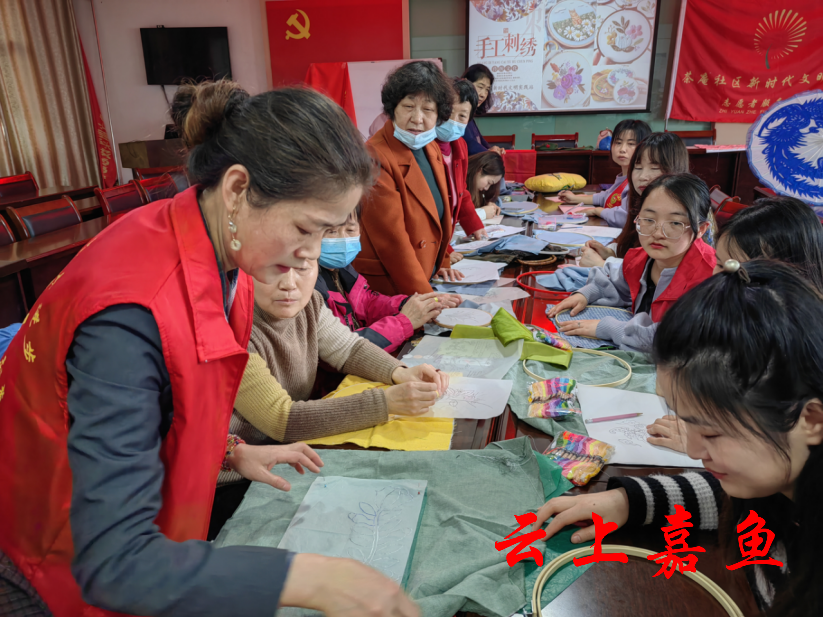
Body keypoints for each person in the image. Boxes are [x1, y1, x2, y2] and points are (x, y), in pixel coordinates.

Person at [0, 81, 419, 617]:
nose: (310, 255)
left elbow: (169, 397)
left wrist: (228, 450)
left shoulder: (225, 253)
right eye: (305, 228)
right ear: (238, 188)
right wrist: (310, 578)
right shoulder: (129, 314)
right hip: (50, 556)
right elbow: (114, 562)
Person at [534, 259, 822, 617]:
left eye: (712, 432)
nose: (694, 450)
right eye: (685, 420)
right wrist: (628, 501)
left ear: (810, 419)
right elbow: (730, 494)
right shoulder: (777, 482)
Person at [647, 195, 824, 453]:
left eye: (743, 273)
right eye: (720, 264)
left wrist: (715, 438)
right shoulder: (737, 320)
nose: (722, 280)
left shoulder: (803, 347)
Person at [547, 173, 715, 353]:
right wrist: (587, 294)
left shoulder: (710, 280)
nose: (657, 233)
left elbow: (678, 340)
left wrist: (610, 328)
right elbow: (621, 282)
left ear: (700, 229)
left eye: (675, 223)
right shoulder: (642, 257)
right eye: (649, 219)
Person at [355, 60, 465, 295]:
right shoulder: (374, 156)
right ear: (392, 108)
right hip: (392, 285)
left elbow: (437, 214)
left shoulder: (430, 147)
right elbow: (392, 241)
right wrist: (426, 298)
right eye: (408, 106)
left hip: (426, 273)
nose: (417, 118)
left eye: (428, 109)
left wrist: (442, 261)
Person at [316, 207, 461, 353]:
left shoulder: (342, 269)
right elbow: (341, 349)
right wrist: (405, 321)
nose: (343, 239)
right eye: (332, 232)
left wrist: (409, 304)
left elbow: (366, 303)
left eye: (350, 230)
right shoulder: (311, 288)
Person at [580, 132, 690, 268]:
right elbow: (637, 249)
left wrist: (603, 264)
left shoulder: (679, 214)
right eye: (638, 167)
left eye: (654, 168)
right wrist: (611, 252)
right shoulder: (641, 201)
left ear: (676, 169)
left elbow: (656, 270)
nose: (643, 176)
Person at [560, 119, 651, 228]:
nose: (622, 149)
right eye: (618, 143)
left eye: (631, 144)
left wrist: (597, 211)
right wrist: (575, 198)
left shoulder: (640, 182)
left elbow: (624, 217)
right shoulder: (624, 177)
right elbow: (607, 197)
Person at [436, 78, 488, 264]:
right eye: (448, 113)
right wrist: (444, 252)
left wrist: (474, 224)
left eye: (462, 116)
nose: (453, 121)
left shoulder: (460, 145)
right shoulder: (424, 148)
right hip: (433, 244)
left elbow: (461, 191)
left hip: (447, 236)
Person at [460, 64, 506, 156]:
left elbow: (480, 140)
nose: (483, 95)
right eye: (480, 87)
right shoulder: (460, 113)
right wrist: (489, 153)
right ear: (466, 82)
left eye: (487, 90)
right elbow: (469, 144)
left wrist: (493, 150)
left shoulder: (470, 115)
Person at [467, 151, 505, 222]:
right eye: (489, 182)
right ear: (479, 171)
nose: (487, 188)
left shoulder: (476, 189)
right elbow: (453, 218)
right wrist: (482, 212)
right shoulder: (458, 183)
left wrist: (486, 206)